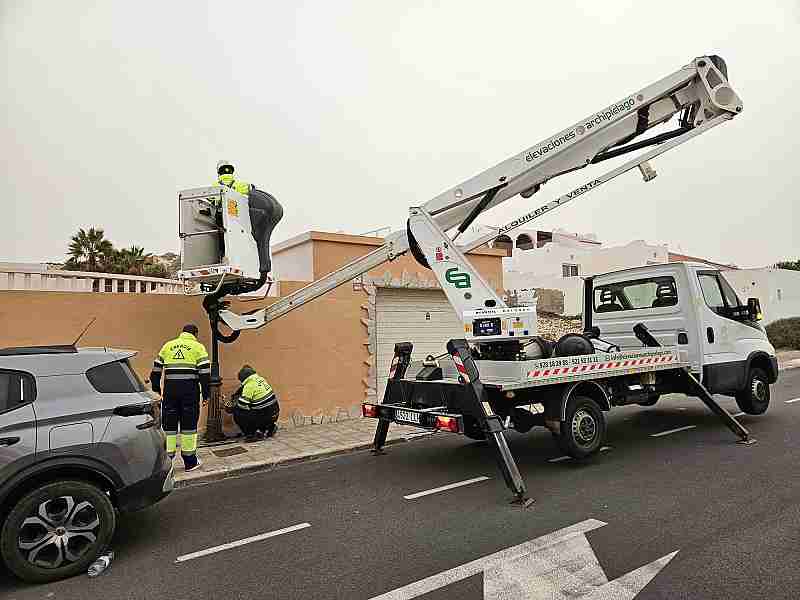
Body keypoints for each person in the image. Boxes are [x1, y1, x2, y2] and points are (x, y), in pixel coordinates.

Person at [150, 324, 211, 471]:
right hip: (190, 393)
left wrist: (157, 390)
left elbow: (155, 372)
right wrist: (206, 394)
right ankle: (190, 462)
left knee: (169, 426)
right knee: (189, 426)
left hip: (170, 392)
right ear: (195, 334)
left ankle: (167, 462)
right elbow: (204, 373)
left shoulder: (168, 346)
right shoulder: (198, 347)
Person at [231, 365, 280, 442]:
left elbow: (242, 406)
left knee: (238, 413)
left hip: (264, 416)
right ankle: (270, 427)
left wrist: (231, 407)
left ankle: (251, 435)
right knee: (258, 408)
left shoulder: (249, 386)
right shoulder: (261, 379)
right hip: (275, 413)